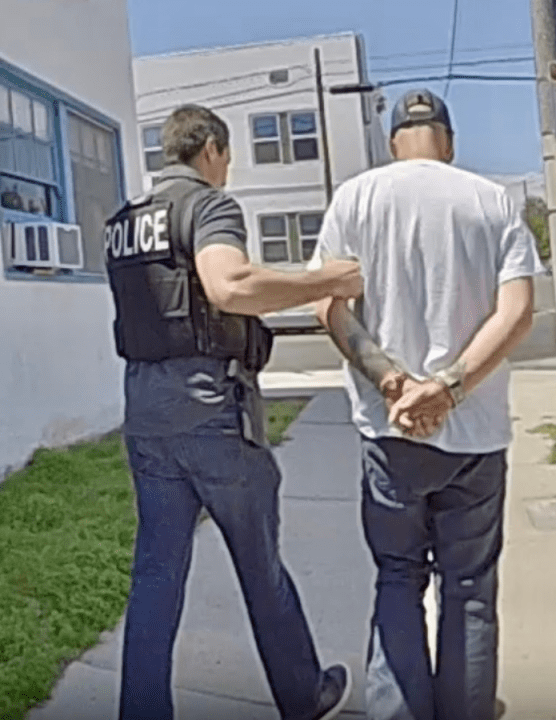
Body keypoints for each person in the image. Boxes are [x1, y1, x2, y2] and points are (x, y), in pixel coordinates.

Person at [104, 104, 360, 720]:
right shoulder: (208, 204)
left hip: (144, 407)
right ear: (212, 151)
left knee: (157, 575)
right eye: (228, 157)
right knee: (259, 564)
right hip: (210, 409)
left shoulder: (124, 221)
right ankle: (302, 695)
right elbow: (229, 286)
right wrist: (323, 282)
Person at [308, 87, 540, 720]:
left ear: (392, 144)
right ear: (450, 141)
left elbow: (330, 304)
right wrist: (450, 387)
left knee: (397, 579)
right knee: (468, 591)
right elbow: (517, 311)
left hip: (390, 432)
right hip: (477, 431)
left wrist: (391, 381)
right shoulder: (491, 201)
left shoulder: (355, 198)